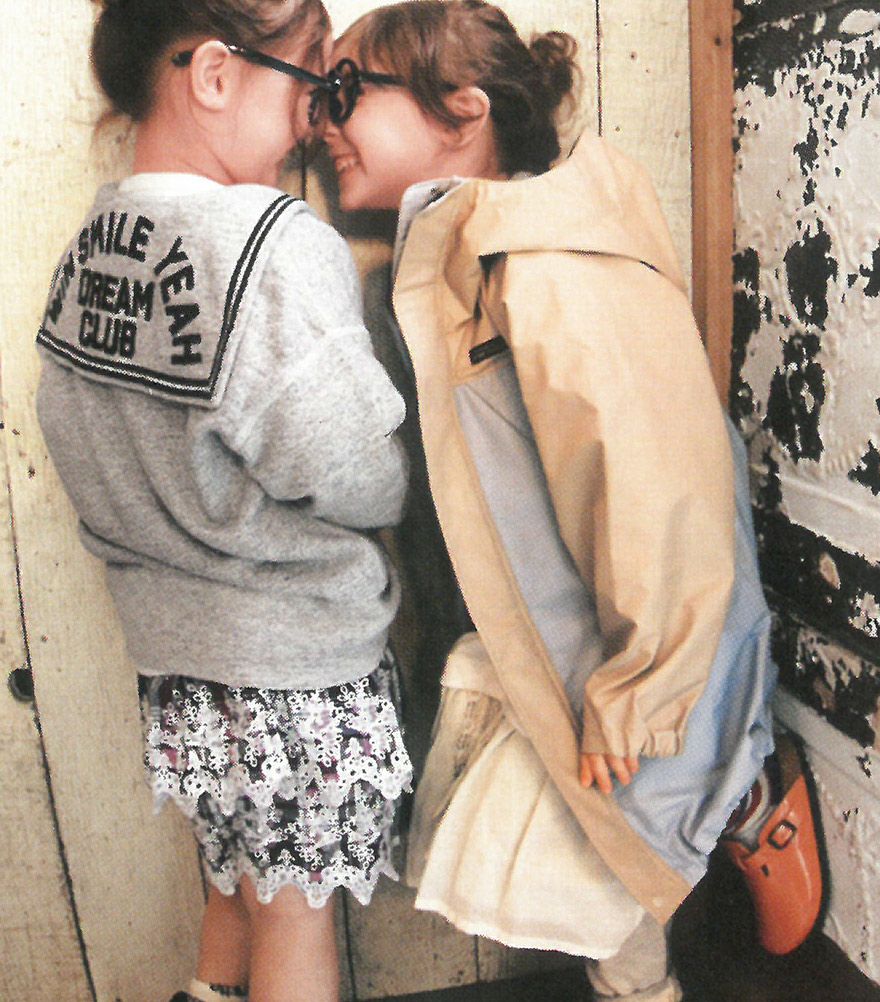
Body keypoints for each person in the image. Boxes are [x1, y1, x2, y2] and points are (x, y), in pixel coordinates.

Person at [319, 2, 824, 1000]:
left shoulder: (547, 265)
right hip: (549, 634)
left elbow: (658, 477)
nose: (319, 119)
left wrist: (647, 687)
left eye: (345, 91)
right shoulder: (470, 259)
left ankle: (749, 801)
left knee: (607, 832)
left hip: (622, 649)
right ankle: (648, 963)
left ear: (462, 109)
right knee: (585, 845)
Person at [34, 3, 413, 1001]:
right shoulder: (269, 244)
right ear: (212, 75)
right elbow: (355, 470)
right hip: (294, 667)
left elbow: (75, 435)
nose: (315, 126)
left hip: (177, 669)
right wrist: (400, 472)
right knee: (295, 919)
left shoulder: (92, 249)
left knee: (236, 887)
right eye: (311, 85)